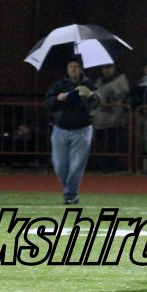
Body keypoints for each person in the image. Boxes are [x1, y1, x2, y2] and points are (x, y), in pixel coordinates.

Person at [45, 57, 100, 204]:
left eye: (76, 66)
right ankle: (70, 189)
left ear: (81, 69)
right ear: (67, 69)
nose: (73, 69)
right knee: (59, 165)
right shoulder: (58, 85)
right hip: (60, 128)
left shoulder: (89, 85)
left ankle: (70, 195)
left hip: (82, 129)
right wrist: (58, 99)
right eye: (71, 66)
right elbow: (49, 104)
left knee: (76, 165)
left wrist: (89, 95)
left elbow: (97, 104)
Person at [92, 63, 130, 172]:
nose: (106, 70)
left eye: (109, 67)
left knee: (113, 142)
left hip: (114, 116)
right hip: (100, 118)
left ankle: (112, 166)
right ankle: (103, 165)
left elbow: (123, 95)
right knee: (101, 143)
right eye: (104, 68)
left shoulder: (120, 79)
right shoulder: (99, 81)